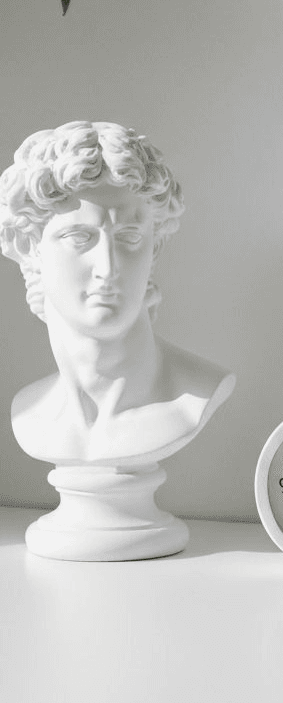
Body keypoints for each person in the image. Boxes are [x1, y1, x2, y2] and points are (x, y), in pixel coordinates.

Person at [0, 121, 234, 466]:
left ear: (155, 248)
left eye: (129, 238)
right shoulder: (32, 413)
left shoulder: (194, 396)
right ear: (29, 246)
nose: (108, 269)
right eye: (80, 238)